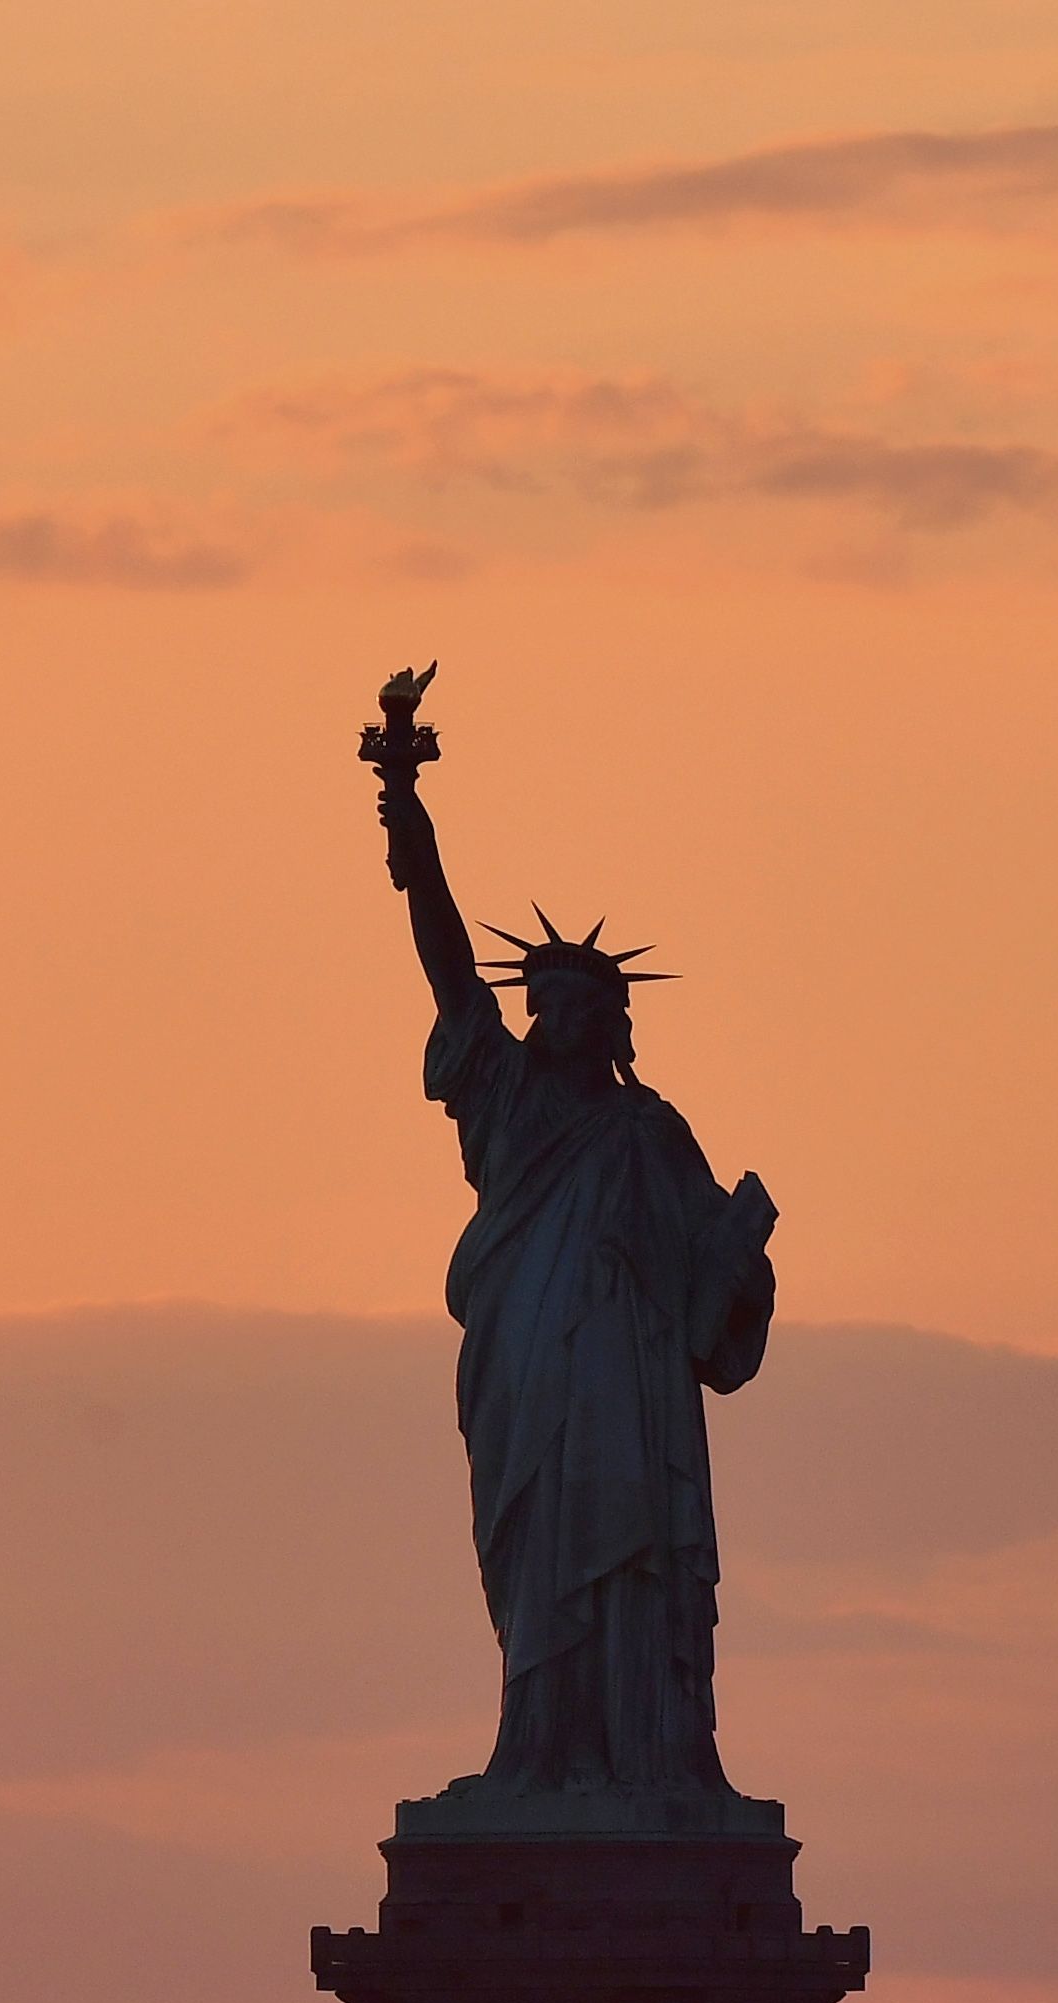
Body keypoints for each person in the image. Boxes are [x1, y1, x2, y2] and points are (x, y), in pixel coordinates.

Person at [369, 679, 779, 1810]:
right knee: (541, 1550)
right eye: (540, 1002)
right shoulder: (501, 1096)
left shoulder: (650, 1133)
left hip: (630, 1384)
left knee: (631, 1552)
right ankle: (542, 1752)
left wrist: (742, 1251)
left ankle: (645, 1758)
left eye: (573, 1007)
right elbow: (447, 957)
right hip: (529, 1360)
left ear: (611, 1023)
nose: (552, 1019)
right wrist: (408, 814)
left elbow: (713, 1299)